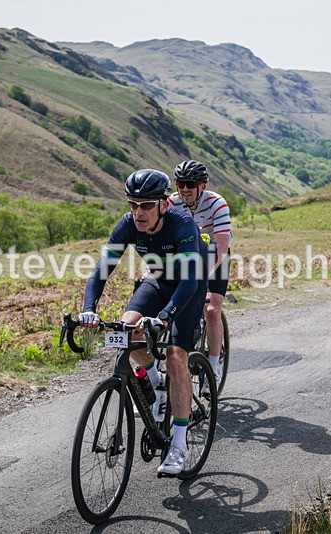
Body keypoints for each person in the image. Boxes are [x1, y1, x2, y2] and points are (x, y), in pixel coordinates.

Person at [79, 169, 208, 475]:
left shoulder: (183, 224)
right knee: (125, 331)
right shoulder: (127, 224)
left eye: (147, 205)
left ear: (164, 204)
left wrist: (164, 318)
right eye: (133, 204)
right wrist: (88, 309)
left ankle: (178, 444)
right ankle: (155, 380)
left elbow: (189, 283)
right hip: (158, 280)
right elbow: (101, 270)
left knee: (176, 356)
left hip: (188, 288)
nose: (139, 212)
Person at [169, 160, 232, 390]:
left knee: (212, 309)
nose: (184, 189)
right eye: (180, 184)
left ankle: (213, 368)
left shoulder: (217, 204)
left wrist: (204, 282)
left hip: (214, 254)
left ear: (201, 186)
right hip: (186, 254)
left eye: (190, 184)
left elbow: (222, 248)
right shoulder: (171, 203)